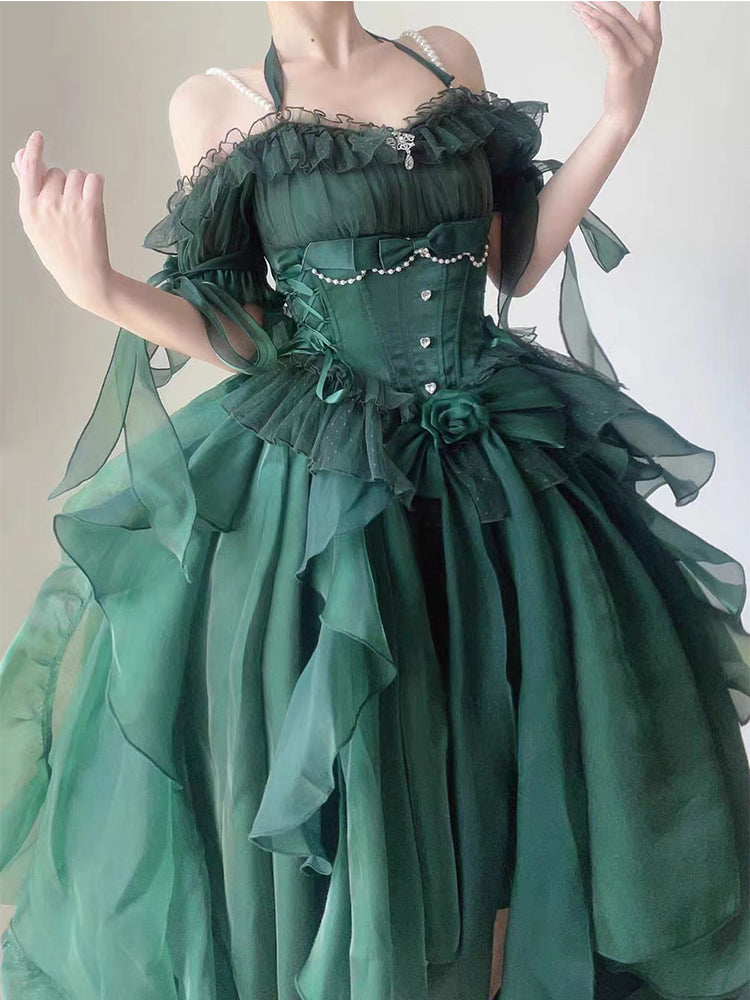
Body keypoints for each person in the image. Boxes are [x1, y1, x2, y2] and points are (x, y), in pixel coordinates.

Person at [2, 3, 749, 998]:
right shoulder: (216, 103)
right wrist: (99, 290)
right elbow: (249, 331)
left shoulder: (444, 58)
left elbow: (514, 262)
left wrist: (621, 111)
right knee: (381, 782)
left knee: (525, 770)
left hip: (505, 473)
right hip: (334, 491)